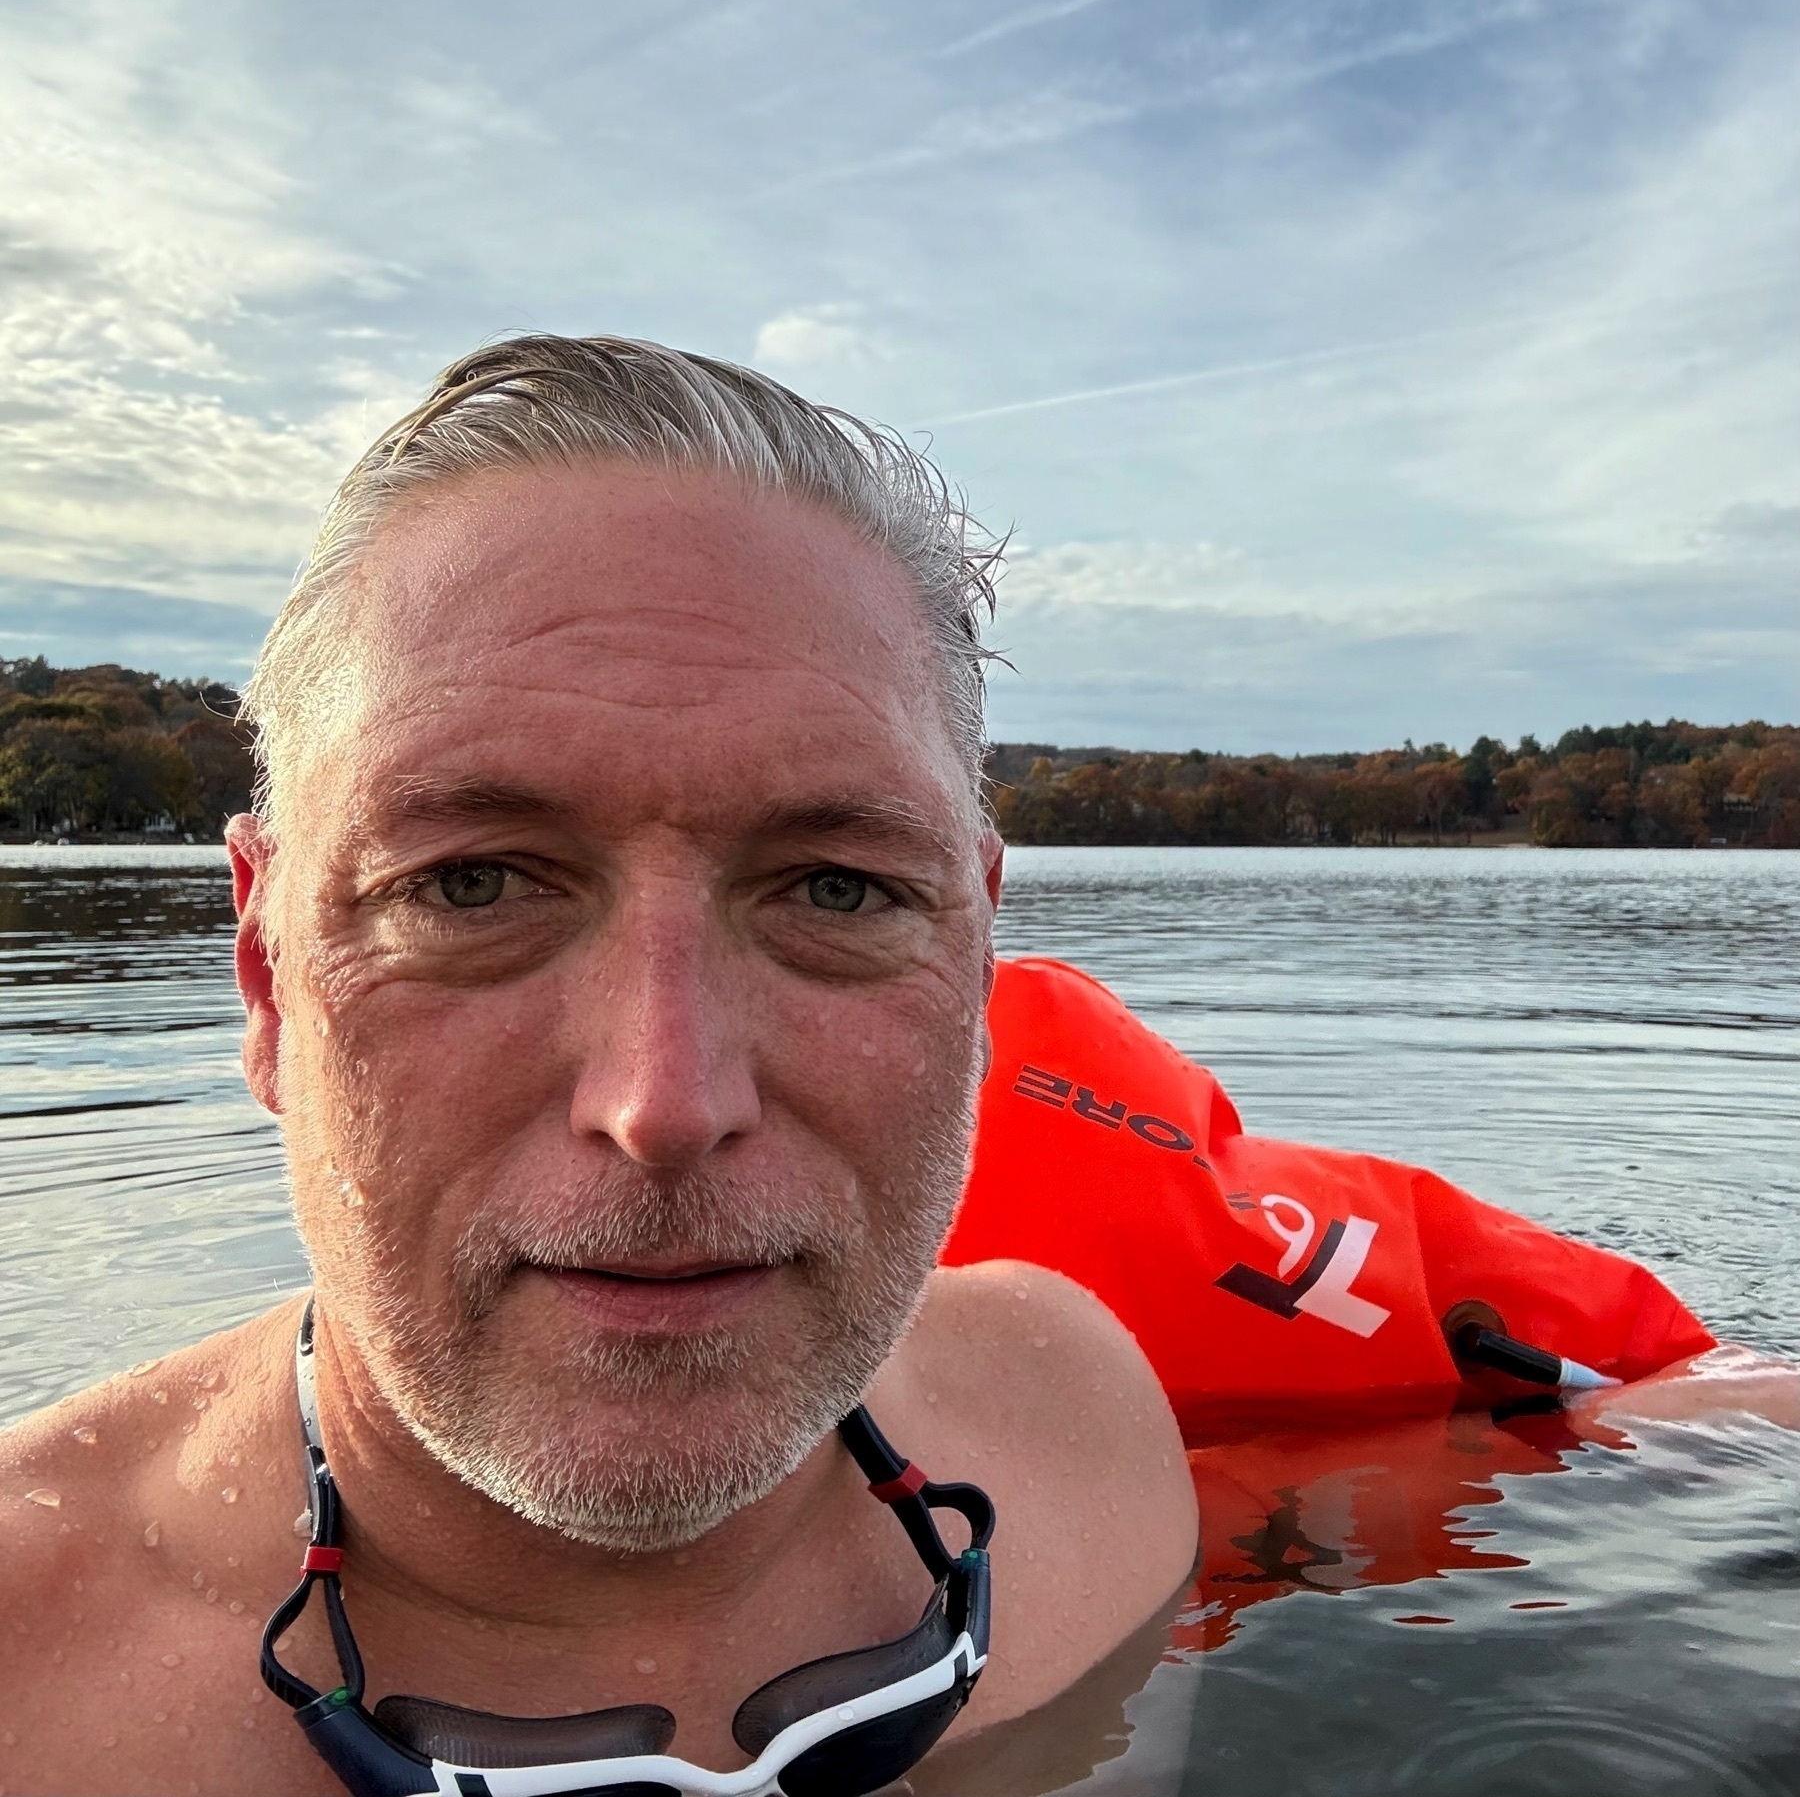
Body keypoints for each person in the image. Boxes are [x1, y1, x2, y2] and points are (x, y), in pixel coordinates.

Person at [0, 336, 1199, 1796]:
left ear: (976, 963)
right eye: (472, 885)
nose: (667, 1104)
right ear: (266, 976)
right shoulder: (28, 1684)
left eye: (836, 888)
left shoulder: (1087, 1422)